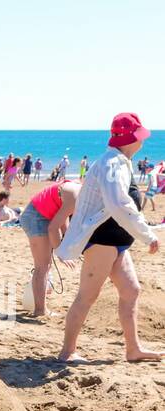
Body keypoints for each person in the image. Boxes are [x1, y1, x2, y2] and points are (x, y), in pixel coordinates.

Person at [55, 113, 161, 363]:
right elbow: (118, 204)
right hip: (102, 240)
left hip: (117, 240)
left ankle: (133, 349)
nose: (143, 142)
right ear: (131, 139)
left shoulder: (120, 161)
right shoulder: (112, 163)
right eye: (140, 137)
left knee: (131, 290)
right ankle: (67, 352)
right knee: (87, 296)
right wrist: (147, 234)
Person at [18, 175, 80, 318]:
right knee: (42, 266)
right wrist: (61, 253)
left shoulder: (78, 190)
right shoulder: (76, 197)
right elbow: (53, 228)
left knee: (45, 265)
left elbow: (63, 217)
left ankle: (39, 306)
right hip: (36, 217)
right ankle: (40, 310)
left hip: (42, 216)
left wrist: (68, 242)